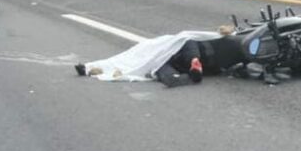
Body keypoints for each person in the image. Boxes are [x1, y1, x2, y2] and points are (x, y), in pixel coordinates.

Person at [74, 26, 246, 88]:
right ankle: (89, 68)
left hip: (196, 53)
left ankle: (89, 67)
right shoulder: (159, 66)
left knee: (131, 61)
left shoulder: (165, 46)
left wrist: (193, 59)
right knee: (164, 74)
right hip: (202, 64)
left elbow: (188, 39)